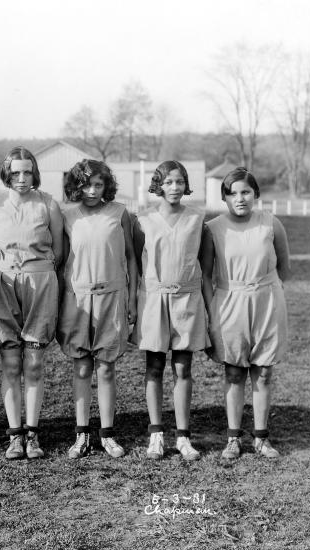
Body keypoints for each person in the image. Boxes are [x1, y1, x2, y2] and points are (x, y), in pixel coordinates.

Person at [201, 167, 290, 460]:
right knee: (234, 371)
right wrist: (215, 312)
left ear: (256, 195)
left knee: (263, 372)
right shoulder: (213, 228)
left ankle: (261, 438)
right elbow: (206, 275)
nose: (240, 198)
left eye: (245, 192)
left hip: (267, 301)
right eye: (233, 193)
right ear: (224, 197)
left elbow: (285, 269)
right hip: (230, 302)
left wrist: (265, 291)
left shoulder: (271, 224)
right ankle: (233, 438)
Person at [0, 146, 63, 460]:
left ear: (34, 173)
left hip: (39, 280)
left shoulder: (48, 204)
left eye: (27, 172)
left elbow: (60, 250)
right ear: (6, 173)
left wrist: (39, 273)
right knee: (11, 362)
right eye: (15, 172)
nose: (21, 178)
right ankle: (15, 435)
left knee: (34, 362)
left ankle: (33, 434)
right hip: (1, 283)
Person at [57, 160, 137, 459]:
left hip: (111, 296)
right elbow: (61, 260)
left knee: (105, 368)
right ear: (76, 185)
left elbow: (131, 258)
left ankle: (107, 434)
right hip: (77, 298)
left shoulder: (119, 213)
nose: (91, 190)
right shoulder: (67, 216)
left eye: (98, 185)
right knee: (81, 366)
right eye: (85, 184)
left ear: (107, 186)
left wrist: (132, 298)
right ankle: (81, 435)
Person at [132, 160, 206, 461]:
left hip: (186, 300)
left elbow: (203, 260)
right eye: (168, 182)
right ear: (158, 185)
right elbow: (137, 260)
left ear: (185, 184)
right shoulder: (143, 219)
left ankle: (183, 436)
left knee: (183, 368)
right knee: (154, 367)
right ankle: (156, 434)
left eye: (179, 182)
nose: (174, 188)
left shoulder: (197, 219)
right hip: (154, 300)